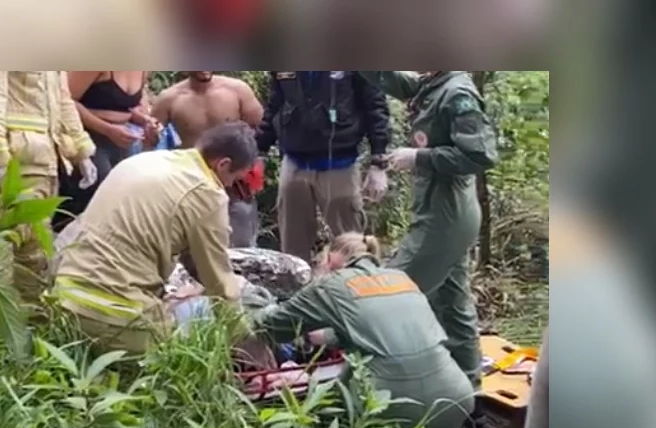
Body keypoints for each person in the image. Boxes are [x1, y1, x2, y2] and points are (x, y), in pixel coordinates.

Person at [249, 232, 475, 428]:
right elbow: (384, 332)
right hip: (456, 398)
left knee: (318, 410)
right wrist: (323, 337)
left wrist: (246, 296)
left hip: (389, 404)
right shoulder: (400, 278)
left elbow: (268, 324)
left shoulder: (331, 284)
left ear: (328, 258)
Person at [51, 121, 259, 353]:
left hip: (64, 300)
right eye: (235, 179)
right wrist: (245, 342)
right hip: (117, 315)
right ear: (223, 164)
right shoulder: (206, 193)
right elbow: (219, 280)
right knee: (193, 358)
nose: (230, 187)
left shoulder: (143, 161)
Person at [358, 71, 497, 384]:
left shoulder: (457, 93)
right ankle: (468, 388)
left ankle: (372, 385)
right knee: (452, 303)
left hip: (446, 217)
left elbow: (480, 155)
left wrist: (420, 157)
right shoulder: (432, 82)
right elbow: (389, 79)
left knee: (388, 294)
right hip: (440, 212)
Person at [0, 70, 99, 304]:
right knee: (21, 242)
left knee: (36, 243)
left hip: (45, 157)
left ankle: (29, 315)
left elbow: (63, 99)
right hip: (18, 155)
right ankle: (22, 316)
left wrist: (82, 151)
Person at [256, 71, 392, 259]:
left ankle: (357, 283)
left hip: (340, 163)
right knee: (293, 247)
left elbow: (375, 107)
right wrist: (258, 151)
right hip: (294, 162)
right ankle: (297, 287)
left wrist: (379, 162)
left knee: (351, 245)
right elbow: (274, 106)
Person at [152, 71, 265, 247]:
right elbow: (150, 144)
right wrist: (150, 133)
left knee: (243, 246)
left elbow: (261, 130)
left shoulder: (237, 90)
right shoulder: (169, 99)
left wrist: (248, 168)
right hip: (194, 185)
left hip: (235, 183)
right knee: (196, 249)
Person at [60, 71, 157, 221]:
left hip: (122, 141)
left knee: (120, 203)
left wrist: (145, 120)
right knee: (92, 201)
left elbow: (128, 107)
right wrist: (107, 128)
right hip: (87, 139)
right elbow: (64, 100)